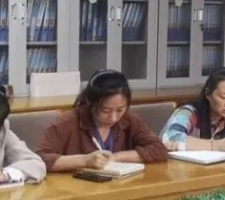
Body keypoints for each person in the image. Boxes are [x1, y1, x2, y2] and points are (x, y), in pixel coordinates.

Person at [37, 69, 167, 172]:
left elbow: (158, 149)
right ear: (90, 102)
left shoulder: (130, 120)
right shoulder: (68, 122)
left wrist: (116, 157)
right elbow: (40, 158)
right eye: (106, 111)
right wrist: (85, 161)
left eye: (120, 110)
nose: (114, 118)